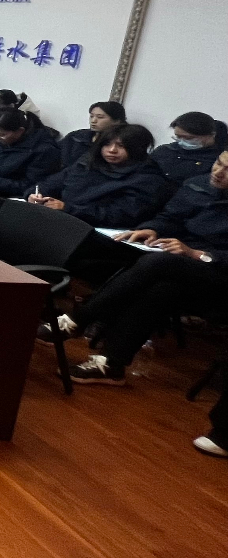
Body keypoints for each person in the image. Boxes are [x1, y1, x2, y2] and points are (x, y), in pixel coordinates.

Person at [45, 148, 228, 386]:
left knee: (158, 263)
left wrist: (198, 254)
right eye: (218, 163)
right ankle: (112, 364)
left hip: (219, 273)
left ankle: (77, 320)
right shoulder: (199, 183)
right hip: (180, 265)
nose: (218, 172)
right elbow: (170, 217)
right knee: (163, 289)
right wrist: (153, 229)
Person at [28, 124, 168, 228]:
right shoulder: (87, 163)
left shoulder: (148, 178)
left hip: (99, 232)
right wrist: (35, 195)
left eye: (121, 146)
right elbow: (50, 183)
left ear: (138, 149)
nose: (112, 150)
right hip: (62, 220)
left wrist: (67, 209)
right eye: (107, 144)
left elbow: (121, 215)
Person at [0, 107, 61, 223]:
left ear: (20, 131)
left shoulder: (44, 150)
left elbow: (30, 186)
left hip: (12, 198)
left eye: (1, 134)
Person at [150, 112, 226, 189]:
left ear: (212, 135)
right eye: (178, 137)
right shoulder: (164, 150)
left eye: (188, 138)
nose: (182, 141)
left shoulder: (221, 159)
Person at [59, 101, 125, 167]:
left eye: (100, 117)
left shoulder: (120, 142)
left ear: (117, 121)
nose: (93, 121)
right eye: (91, 116)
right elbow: (56, 151)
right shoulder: (77, 136)